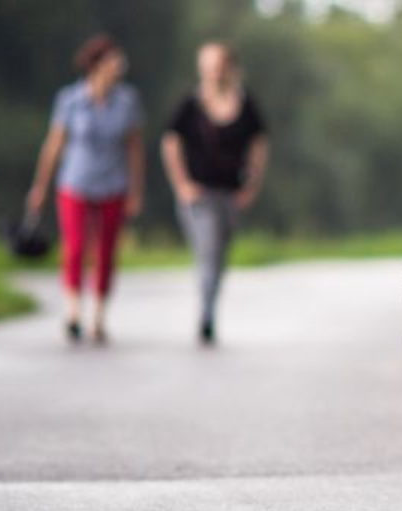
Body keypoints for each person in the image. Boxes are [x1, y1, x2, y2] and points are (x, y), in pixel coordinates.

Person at [27, 33, 145, 344]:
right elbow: (53, 145)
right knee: (76, 247)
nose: (119, 66)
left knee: (106, 251)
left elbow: (134, 149)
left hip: (113, 185)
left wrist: (135, 190)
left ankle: (99, 317)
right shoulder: (69, 100)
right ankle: (73, 312)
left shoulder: (127, 101)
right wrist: (40, 186)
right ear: (97, 65)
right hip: (75, 183)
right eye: (114, 60)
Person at [161, 41, 270, 345]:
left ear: (229, 67)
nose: (213, 71)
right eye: (208, 65)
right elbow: (171, 143)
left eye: (218, 65)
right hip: (199, 195)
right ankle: (206, 316)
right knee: (208, 252)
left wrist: (251, 186)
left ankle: (209, 306)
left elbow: (259, 145)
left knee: (218, 257)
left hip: (230, 195)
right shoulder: (191, 104)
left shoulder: (245, 104)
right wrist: (181, 184)